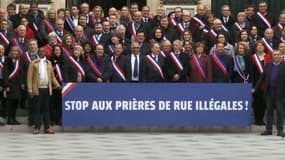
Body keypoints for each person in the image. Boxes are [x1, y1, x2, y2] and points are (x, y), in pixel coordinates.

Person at [27, 47, 60, 134]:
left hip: (46, 89)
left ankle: (47, 127)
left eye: (43, 51)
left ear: (46, 53)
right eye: (40, 51)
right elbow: (29, 77)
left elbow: (52, 77)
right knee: (37, 109)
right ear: (38, 52)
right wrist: (30, 90)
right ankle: (37, 127)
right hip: (37, 89)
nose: (42, 52)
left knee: (46, 109)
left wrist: (58, 85)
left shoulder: (49, 63)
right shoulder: (33, 63)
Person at [253, 50, 285, 137]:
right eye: (275, 55)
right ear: (272, 56)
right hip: (269, 92)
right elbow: (262, 78)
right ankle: (268, 129)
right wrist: (255, 88)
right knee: (269, 111)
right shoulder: (268, 65)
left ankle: (280, 130)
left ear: (281, 56)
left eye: (278, 55)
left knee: (280, 111)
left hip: (280, 93)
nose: (277, 56)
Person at [4, 46, 21, 125]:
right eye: (13, 51)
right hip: (10, 85)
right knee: (10, 103)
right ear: (10, 52)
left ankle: (13, 119)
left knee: (15, 102)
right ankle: (9, 119)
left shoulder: (18, 61)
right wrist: (6, 85)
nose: (14, 52)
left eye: (16, 51)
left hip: (17, 85)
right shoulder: (7, 60)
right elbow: (5, 73)